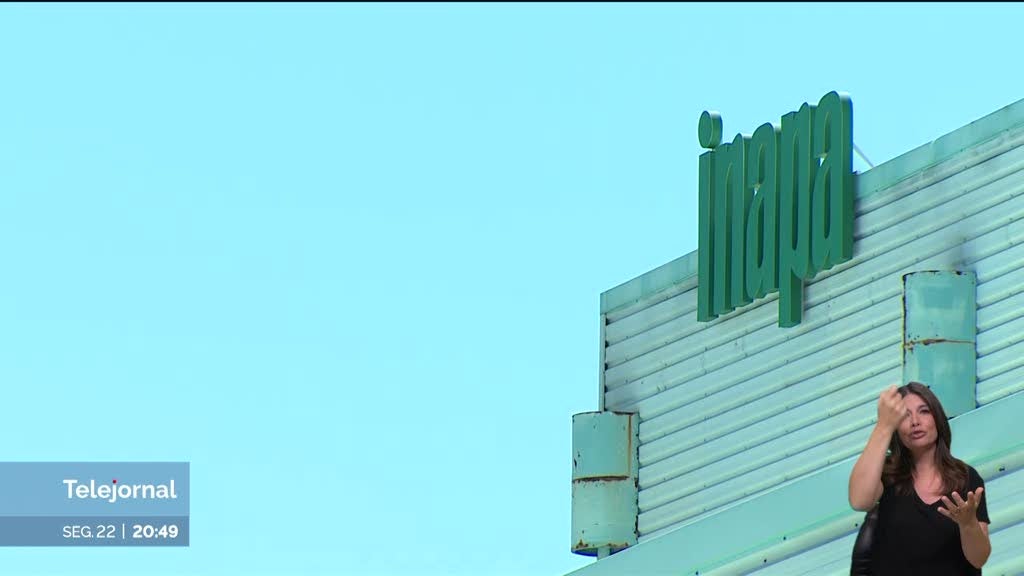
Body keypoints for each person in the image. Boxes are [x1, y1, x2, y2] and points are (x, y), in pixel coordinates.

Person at [847, 382, 991, 575]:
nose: (915, 421)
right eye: (905, 416)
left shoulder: (966, 477)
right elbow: (859, 501)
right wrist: (883, 426)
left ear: (937, 419)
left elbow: (979, 559)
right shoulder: (886, 473)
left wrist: (968, 524)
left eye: (924, 411)